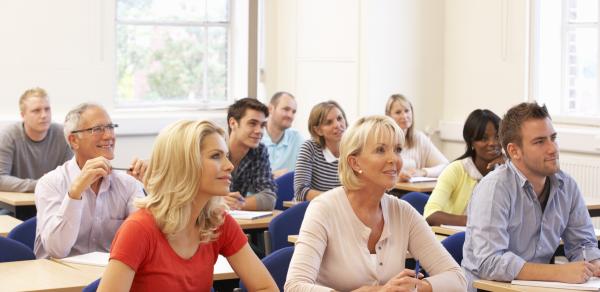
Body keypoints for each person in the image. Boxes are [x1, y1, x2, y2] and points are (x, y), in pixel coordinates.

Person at [285, 115, 466, 292]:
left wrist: (419, 287)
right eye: (381, 150)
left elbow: (457, 278)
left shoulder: (403, 213)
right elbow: (295, 286)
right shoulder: (324, 209)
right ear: (354, 163)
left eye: (397, 150)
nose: (394, 159)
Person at [98, 120, 278, 292]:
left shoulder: (219, 222)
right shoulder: (139, 229)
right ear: (184, 164)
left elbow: (265, 287)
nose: (229, 166)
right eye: (216, 156)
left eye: (226, 156)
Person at [462, 102, 600, 290]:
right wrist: (558, 272)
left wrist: (593, 264)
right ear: (514, 151)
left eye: (553, 138)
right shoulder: (494, 189)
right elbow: (489, 262)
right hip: (488, 289)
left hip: (535, 287)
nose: (553, 149)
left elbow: (582, 243)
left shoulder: (566, 185)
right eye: (540, 142)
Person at [34, 103, 147, 259]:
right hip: (58, 278)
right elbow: (57, 250)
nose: (109, 136)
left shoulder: (128, 184)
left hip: (107, 278)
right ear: (74, 140)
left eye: (110, 127)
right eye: (98, 129)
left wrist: (153, 187)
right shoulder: (50, 183)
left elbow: (146, 241)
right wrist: (75, 192)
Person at [424, 109, 504, 226]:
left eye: (497, 136)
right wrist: (477, 223)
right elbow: (430, 214)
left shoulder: (507, 172)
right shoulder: (456, 170)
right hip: (454, 240)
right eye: (484, 138)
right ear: (471, 142)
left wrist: (512, 164)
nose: (492, 143)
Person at [0, 87, 72, 192]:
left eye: (47, 109)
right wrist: (40, 184)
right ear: (23, 115)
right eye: (36, 111)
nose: (44, 115)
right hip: (15, 205)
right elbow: (1, 179)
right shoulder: (8, 136)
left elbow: (70, 176)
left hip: (53, 201)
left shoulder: (64, 135)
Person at [225, 98, 277, 211]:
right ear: (233, 123)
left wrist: (238, 204)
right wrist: (218, 202)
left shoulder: (259, 151)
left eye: (262, 125)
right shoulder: (213, 149)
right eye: (252, 123)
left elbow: (269, 198)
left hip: (236, 219)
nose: (259, 131)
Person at [385, 94, 448, 181]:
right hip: (392, 190)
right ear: (389, 116)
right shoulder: (383, 139)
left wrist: (423, 172)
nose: (404, 116)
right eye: (398, 112)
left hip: (415, 188)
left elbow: (446, 166)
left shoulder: (419, 138)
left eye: (407, 111)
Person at [294, 101, 347, 201]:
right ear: (318, 130)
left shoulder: (355, 150)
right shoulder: (310, 148)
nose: (337, 124)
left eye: (340, 118)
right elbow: (300, 192)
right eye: (329, 122)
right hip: (315, 211)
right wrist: (338, 200)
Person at [262, 91, 305, 178]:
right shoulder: (254, 136)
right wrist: (271, 176)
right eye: (286, 109)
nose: (290, 115)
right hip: (257, 191)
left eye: (293, 112)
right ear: (270, 109)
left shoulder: (297, 139)